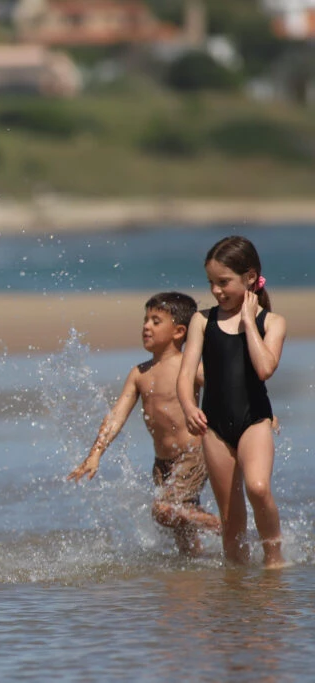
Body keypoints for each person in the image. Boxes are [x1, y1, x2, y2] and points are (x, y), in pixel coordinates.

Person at [68, 292, 220, 556]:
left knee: (163, 510)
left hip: (194, 455)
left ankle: (224, 527)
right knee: (181, 533)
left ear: (179, 331)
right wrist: (95, 455)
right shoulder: (138, 373)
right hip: (162, 463)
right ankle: (195, 572)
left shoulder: (189, 366)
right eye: (145, 320)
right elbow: (116, 416)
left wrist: (261, 414)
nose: (146, 326)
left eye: (156, 321)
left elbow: (228, 391)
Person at [177, 236, 286, 568]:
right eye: (211, 282)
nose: (216, 291)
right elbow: (185, 375)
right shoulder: (201, 321)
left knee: (257, 487)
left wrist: (249, 322)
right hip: (214, 427)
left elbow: (265, 368)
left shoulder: (272, 322)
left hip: (254, 421)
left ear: (250, 278)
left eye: (223, 282)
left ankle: (274, 560)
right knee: (230, 516)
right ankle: (236, 579)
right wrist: (188, 407)